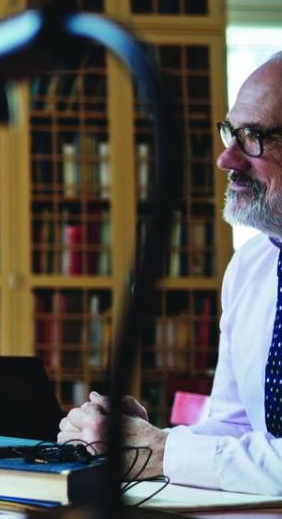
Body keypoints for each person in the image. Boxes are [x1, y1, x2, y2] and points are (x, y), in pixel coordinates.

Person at [59, 53, 282, 494]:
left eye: (254, 137)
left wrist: (163, 452)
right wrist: (137, 440)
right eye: (230, 133)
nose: (226, 159)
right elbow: (237, 428)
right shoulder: (250, 267)